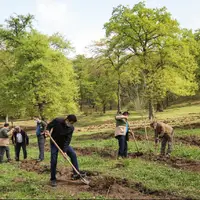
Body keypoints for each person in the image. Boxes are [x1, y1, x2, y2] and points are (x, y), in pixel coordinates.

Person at [45, 114, 85, 187]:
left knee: (73, 154)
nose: (71, 124)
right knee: (53, 160)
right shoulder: (57, 121)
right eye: (70, 122)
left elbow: (68, 140)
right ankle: (53, 179)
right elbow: (49, 125)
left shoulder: (71, 128)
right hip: (54, 142)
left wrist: (65, 151)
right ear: (67, 119)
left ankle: (76, 174)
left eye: (72, 123)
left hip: (63, 144)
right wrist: (47, 130)